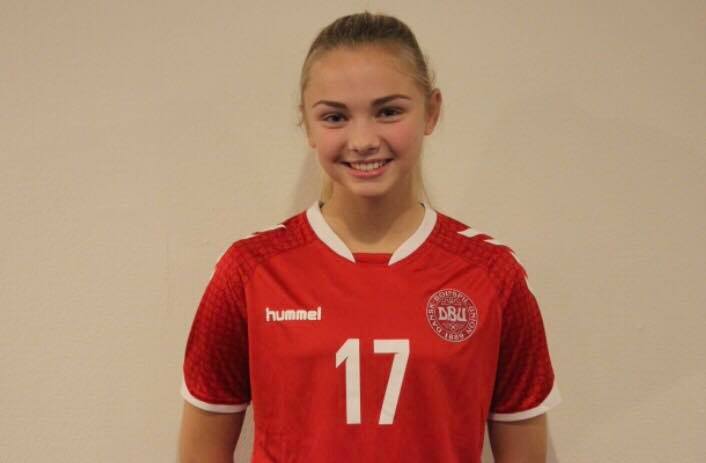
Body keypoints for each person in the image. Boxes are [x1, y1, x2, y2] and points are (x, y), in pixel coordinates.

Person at [178, 11, 560, 463]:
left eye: (388, 111)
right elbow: (201, 450)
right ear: (307, 124)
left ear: (431, 111)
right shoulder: (249, 271)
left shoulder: (493, 275)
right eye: (335, 116)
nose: (362, 140)